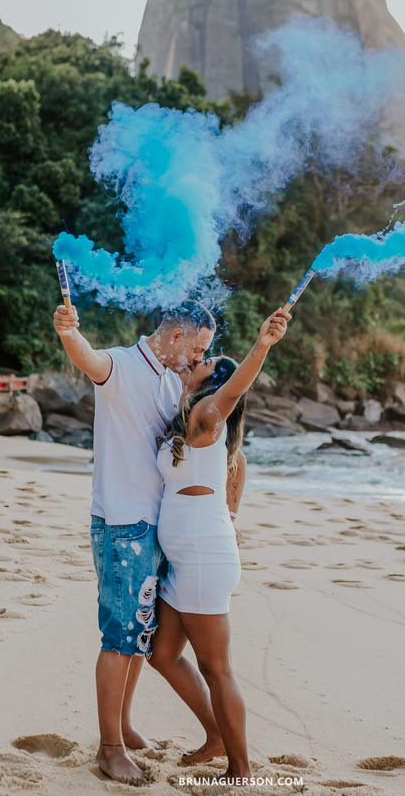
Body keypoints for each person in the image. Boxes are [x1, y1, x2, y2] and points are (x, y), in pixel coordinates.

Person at [52, 299, 215, 787]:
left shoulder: (170, 379)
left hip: (152, 527)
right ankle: (109, 749)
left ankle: (122, 726)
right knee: (120, 639)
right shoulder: (122, 365)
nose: (198, 357)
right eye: (199, 348)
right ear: (176, 336)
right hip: (123, 526)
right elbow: (88, 358)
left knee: (139, 637)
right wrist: (68, 333)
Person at [147, 308, 290, 781]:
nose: (196, 360)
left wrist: (262, 346)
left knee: (217, 669)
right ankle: (214, 736)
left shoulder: (209, 415)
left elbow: (238, 384)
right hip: (182, 561)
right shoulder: (182, 417)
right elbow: (232, 469)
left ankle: (241, 768)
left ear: (216, 385)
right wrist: (231, 515)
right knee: (161, 655)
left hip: (205, 562)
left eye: (206, 362)